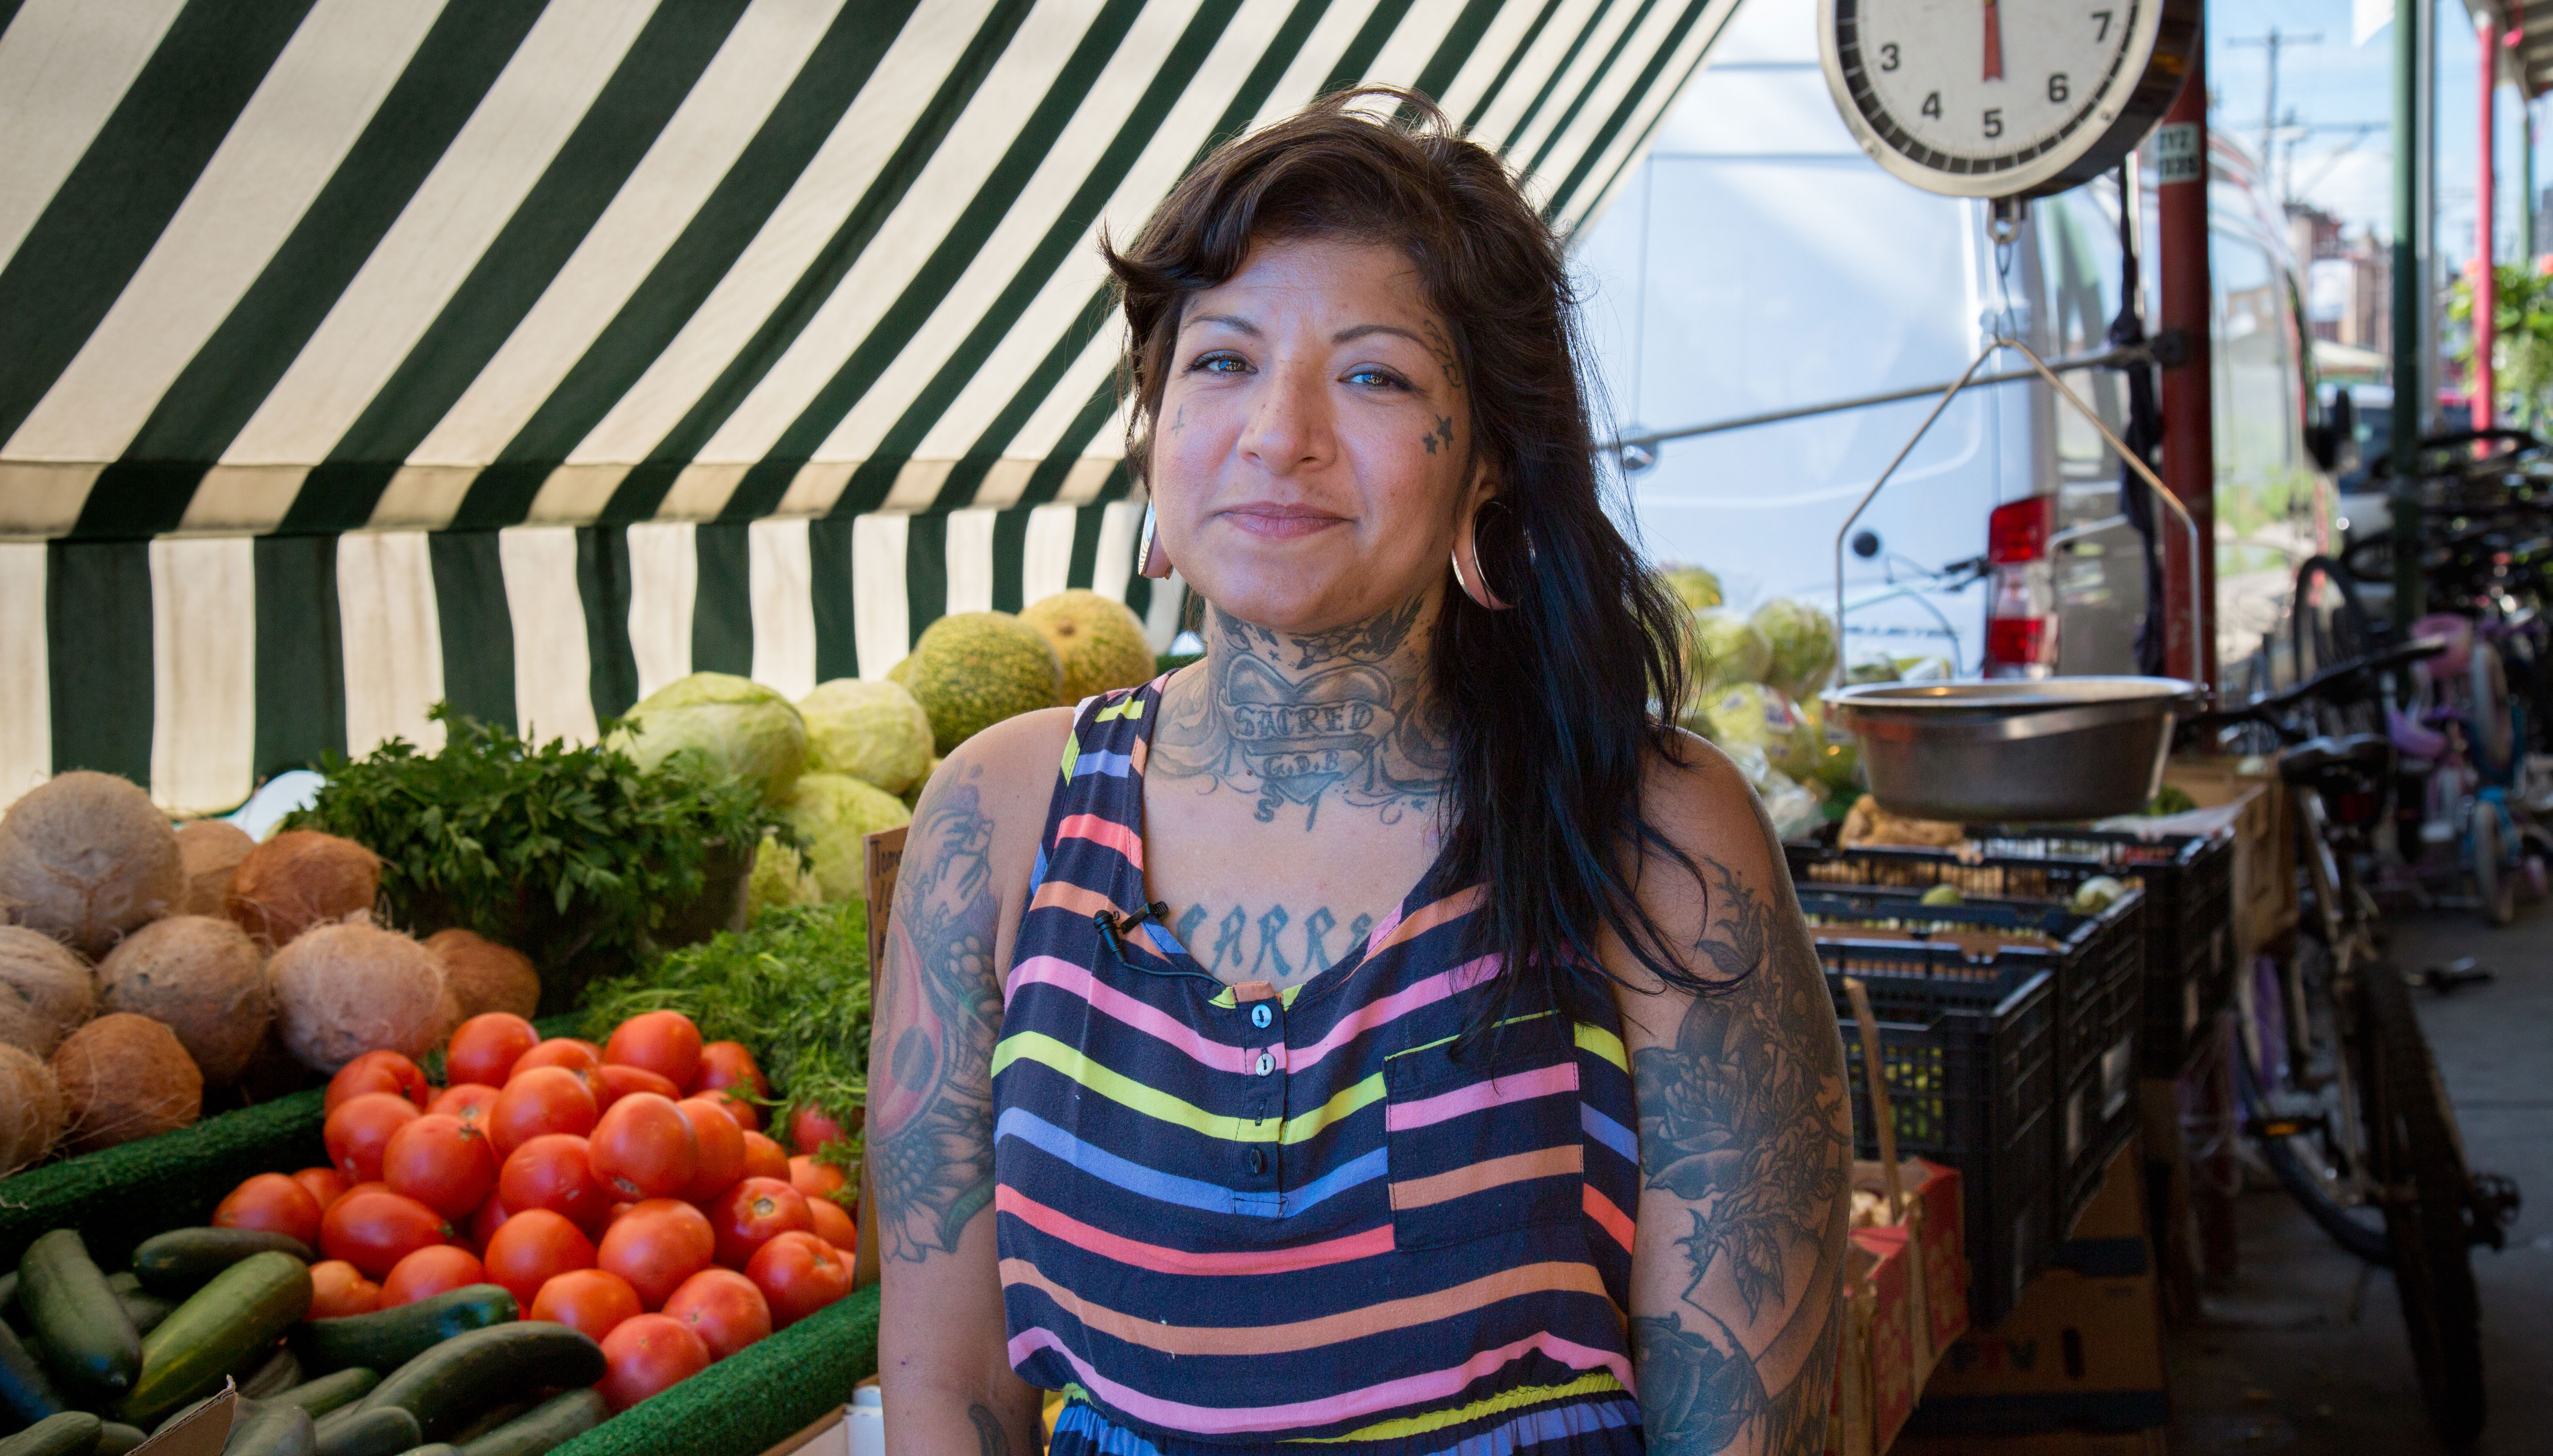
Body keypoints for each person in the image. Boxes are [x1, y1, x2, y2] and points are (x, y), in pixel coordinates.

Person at [872, 87, 1850, 1455]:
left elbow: (1749, 1423)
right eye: (1220, 362)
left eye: (1375, 374)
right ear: (1153, 427)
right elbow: (945, 1384)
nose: (1281, 430)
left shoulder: (1653, 834)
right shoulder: (997, 816)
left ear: (1488, 462)